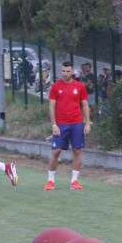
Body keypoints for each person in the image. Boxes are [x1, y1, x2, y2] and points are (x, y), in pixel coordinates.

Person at [46, 61, 92, 191]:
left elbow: (85, 105)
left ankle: (74, 181)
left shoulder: (80, 86)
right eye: (63, 71)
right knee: (56, 151)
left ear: (72, 72)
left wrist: (87, 122)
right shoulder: (56, 86)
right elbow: (51, 106)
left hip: (76, 123)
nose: (65, 74)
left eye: (67, 71)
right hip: (61, 124)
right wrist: (54, 124)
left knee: (77, 151)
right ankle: (50, 181)